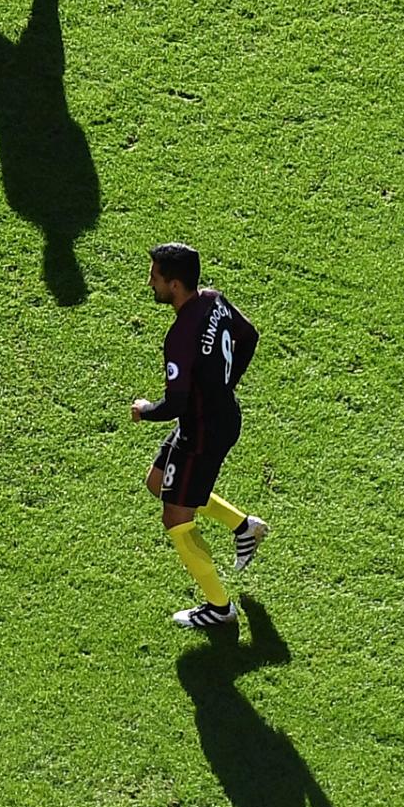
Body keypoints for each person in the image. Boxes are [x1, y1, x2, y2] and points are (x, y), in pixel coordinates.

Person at [133, 243, 269, 629]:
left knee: (176, 516)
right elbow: (250, 336)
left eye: (155, 277)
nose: (151, 284)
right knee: (158, 482)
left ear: (175, 285)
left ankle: (219, 607)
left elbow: (174, 404)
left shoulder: (180, 336)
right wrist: (225, 384)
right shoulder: (214, 300)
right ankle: (245, 527)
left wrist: (144, 411)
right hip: (212, 417)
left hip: (202, 432)